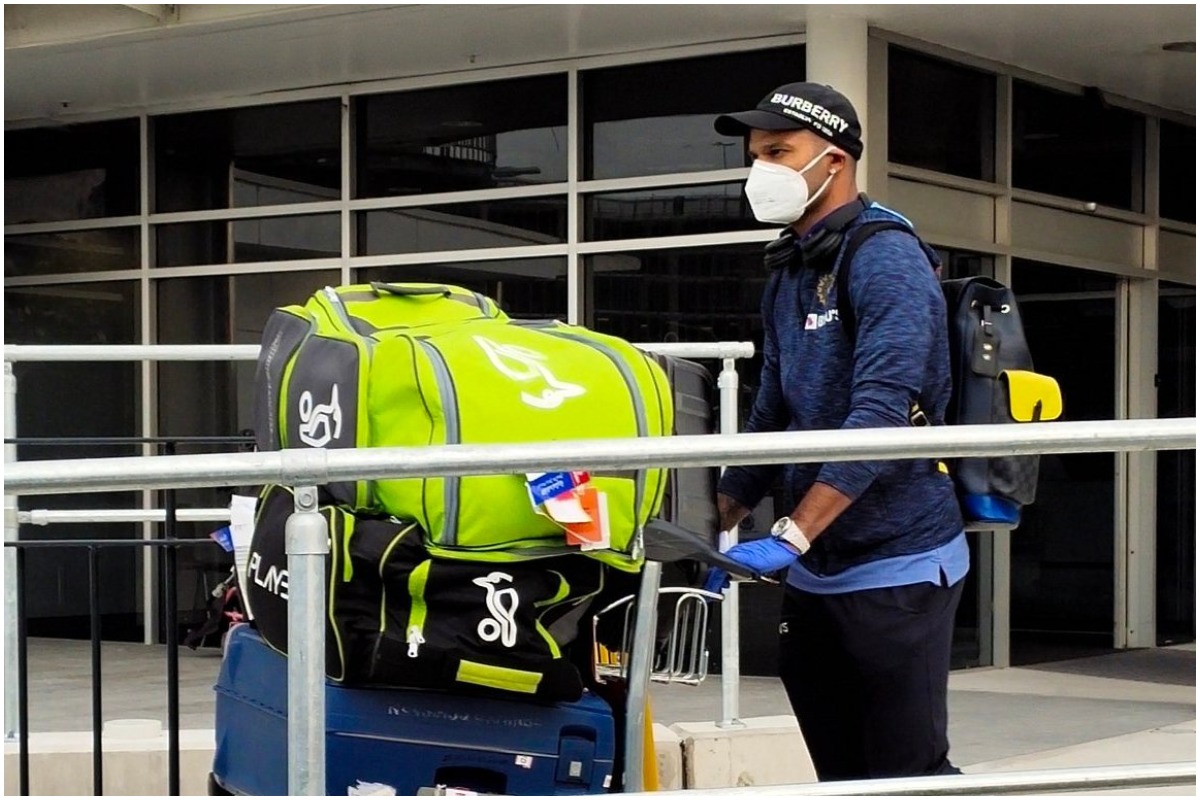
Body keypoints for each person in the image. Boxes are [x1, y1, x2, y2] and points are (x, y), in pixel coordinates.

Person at [707, 82, 969, 781]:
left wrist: (792, 532)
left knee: (906, 767)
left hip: (898, 557)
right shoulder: (790, 269)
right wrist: (720, 516)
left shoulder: (885, 257)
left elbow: (882, 413)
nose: (759, 170)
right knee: (841, 768)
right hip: (819, 568)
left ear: (834, 159)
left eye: (777, 151)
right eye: (754, 155)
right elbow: (774, 406)